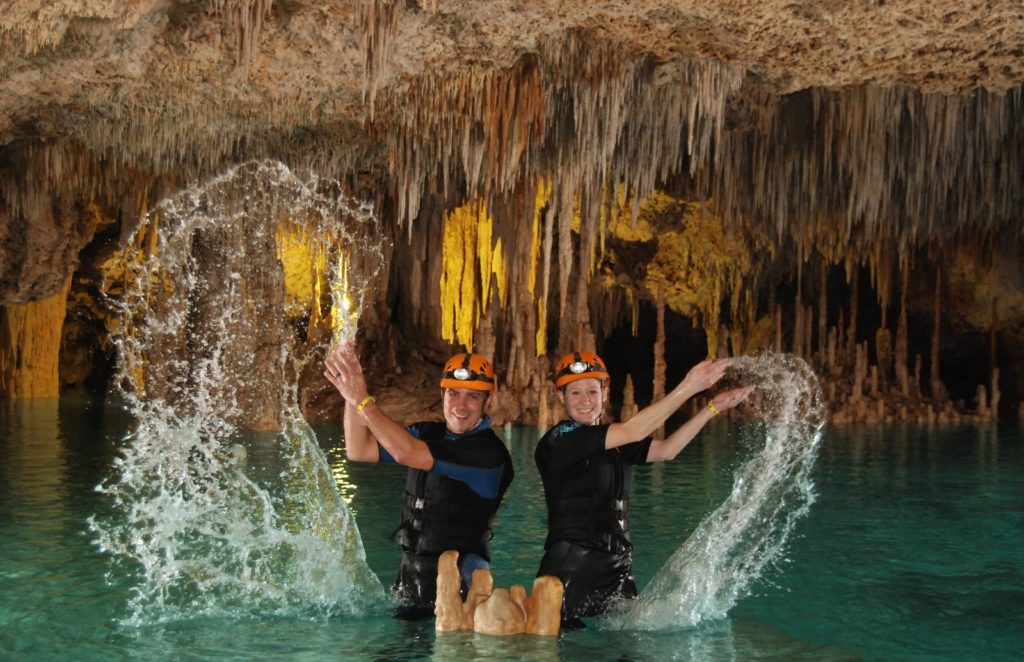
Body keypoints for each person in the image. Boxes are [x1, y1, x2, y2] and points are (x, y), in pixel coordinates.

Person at [534, 350, 752, 627]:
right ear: (560, 397)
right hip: (571, 564)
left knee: (630, 649)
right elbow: (633, 430)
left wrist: (712, 409)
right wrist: (689, 387)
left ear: (604, 391)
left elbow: (666, 450)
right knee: (563, 650)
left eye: (592, 391)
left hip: (618, 566)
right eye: (574, 393)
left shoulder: (614, 441)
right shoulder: (559, 440)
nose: (585, 401)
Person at [325, 343, 514, 617]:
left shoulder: (488, 455)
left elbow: (406, 452)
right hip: (411, 575)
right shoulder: (427, 432)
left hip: (461, 583)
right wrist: (350, 394)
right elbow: (359, 449)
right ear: (443, 395)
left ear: (488, 401)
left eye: (473, 397)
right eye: (454, 394)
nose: (461, 405)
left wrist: (363, 399)